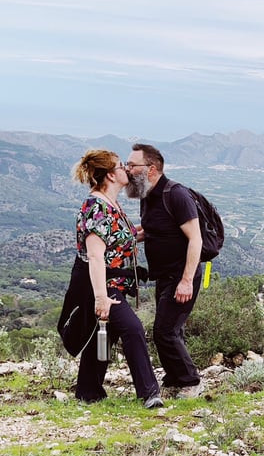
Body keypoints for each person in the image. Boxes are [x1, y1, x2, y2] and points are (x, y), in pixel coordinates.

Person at [67, 149, 163, 408]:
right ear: (110, 175)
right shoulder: (96, 207)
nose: (126, 170)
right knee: (132, 329)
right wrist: (101, 298)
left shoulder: (112, 205)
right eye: (121, 166)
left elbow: (122, 239)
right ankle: (149, 393)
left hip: (114, 283)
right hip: (103, 284)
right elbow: (96, 257)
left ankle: (88, 392)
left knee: (104, 335)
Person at [125, 143, 204, 398]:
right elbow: (157, 229)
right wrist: (133, 236)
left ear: (151, 168)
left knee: (164, 331)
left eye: (132, 165)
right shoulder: (147, 196)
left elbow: (195, 239)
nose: (127, 170)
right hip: (164, 275)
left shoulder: (176, 194)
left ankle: (190, 383)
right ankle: (175, 379)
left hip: (181, 276)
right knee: (171, 329)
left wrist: (186, 281)